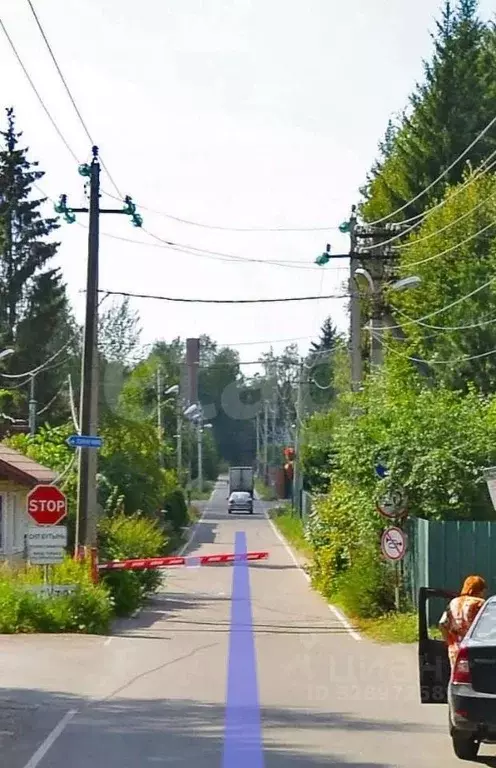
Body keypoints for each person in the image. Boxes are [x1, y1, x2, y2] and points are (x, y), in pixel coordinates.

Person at [439, 575, 487, 669]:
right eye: (483, 591)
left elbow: (442, 625)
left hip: (456, 649)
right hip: (475, 649)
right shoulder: (480, 603)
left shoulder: (453, 602)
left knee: (458, 676)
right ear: (479, 590)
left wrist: (450, 643)